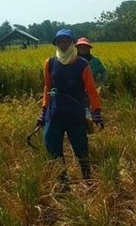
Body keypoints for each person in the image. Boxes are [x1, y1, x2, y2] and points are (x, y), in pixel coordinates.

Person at [37, 29, 103, 189]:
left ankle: (88, 181)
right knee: (52, 149)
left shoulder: (82, 64)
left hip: (75, 115)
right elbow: (48, 87)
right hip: (54, 114)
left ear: (72, 43)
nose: (63, 44)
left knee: (81, 150)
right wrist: (43, 110)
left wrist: (97, 112)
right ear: (56, 44)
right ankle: (62, 183)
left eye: (66, 41)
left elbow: (92, 90)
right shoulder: (50, 63)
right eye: (60, 41)